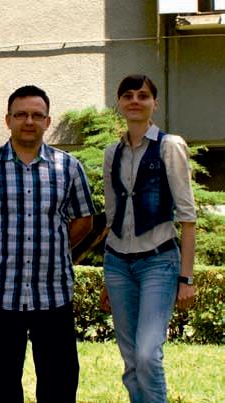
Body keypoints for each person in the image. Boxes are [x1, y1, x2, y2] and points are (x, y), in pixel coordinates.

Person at [0, 85, 95, 403]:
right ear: (8, 120)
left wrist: (57, 249)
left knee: (59, 385)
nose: (29, 121)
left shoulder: (68, 167)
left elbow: (84, 219)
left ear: (47, 121)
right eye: (21, 115)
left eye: (37, 115)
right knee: (1, 387)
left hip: (53, 293)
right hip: (1, 293)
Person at [100, 74, 196, 403]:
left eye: (142, 95)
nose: (135, 101)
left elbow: (187, 217)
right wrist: (106, 277)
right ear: (119, 104)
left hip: (158, 261)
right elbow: (112, 217)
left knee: (147, 354)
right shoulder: (112, 152)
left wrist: (186, 278)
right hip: (117, 264)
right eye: (127, 95)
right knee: (130, 359)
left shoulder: (170, 146)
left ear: (155, 103)